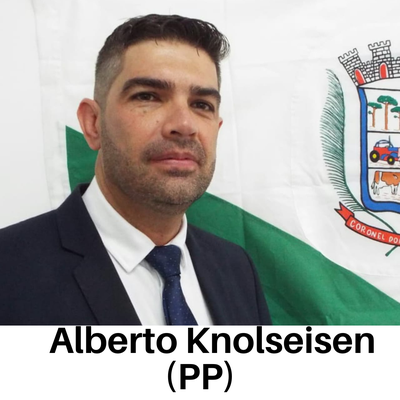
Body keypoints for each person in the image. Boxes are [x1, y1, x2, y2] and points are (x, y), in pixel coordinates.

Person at [0, 14, 271, 325]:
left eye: (201, 104)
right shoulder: (8, 270)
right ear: (93, 123)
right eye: (148, 96)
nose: (184, 125)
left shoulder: (237, 269)